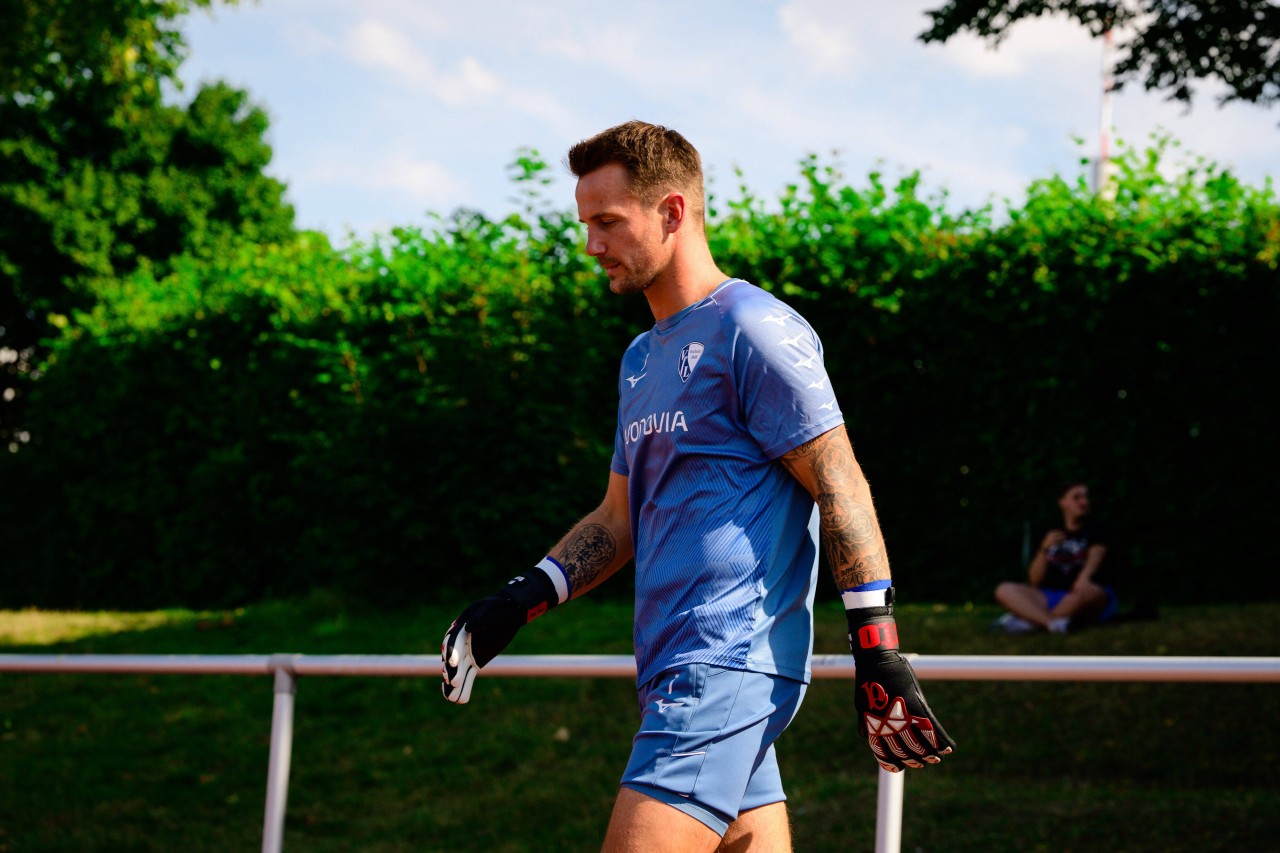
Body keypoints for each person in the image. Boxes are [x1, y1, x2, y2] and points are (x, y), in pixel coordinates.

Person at [440, 120, 953, 852]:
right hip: (677, 668)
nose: (592, 245)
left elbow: (840, 479)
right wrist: (520, 598)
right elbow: (619, 518)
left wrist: (877, 644)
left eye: (609, 222)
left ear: (672, 212)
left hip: (722, 668)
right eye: (585, 224)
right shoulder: (640, 359)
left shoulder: (754, 326)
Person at [994, 481, 1120, 634]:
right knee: (1004, 589)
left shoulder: (1097, 527)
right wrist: (1044, 549)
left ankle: (1027, 621)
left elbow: (1097, 554)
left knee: (1086, 593)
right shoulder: (1051, 531)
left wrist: (1084, 578)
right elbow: (1035, 580)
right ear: (1062, 502)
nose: (1084, 502)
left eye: (1086, 497)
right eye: (1077, 497)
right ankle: (1052, 624)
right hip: (1051, 595)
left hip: (1085, 593)